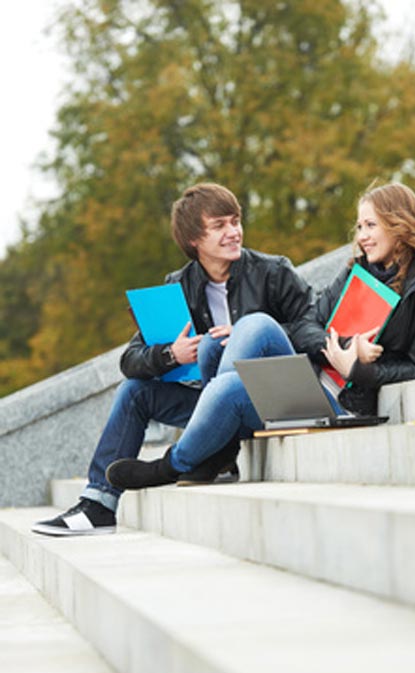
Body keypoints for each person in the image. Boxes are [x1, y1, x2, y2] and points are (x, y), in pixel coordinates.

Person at [105, 181, 415, 492]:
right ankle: (217, 447)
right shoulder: (357, 271)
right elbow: (308, 322)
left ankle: (173, 464)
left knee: (231, 384)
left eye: (371, 225)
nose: (361, 235)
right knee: (248, 327)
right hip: (310, 379)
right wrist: (336, 348)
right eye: (359, 225)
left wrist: (357, 368)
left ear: (400, 226)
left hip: (343, 403)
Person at [32, 182, 320, 536]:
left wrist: (245, 338)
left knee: (248, 331)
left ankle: (198, 456)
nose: (234, 232)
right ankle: (99, 504)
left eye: (236, 221)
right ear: (194, 240)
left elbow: (313, 327)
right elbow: (131, 360)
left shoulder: (273, 272)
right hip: (215, 408)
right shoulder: (179, 287)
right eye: (220, 226)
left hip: (268, 398)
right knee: (136, 390)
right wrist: (172, 354)